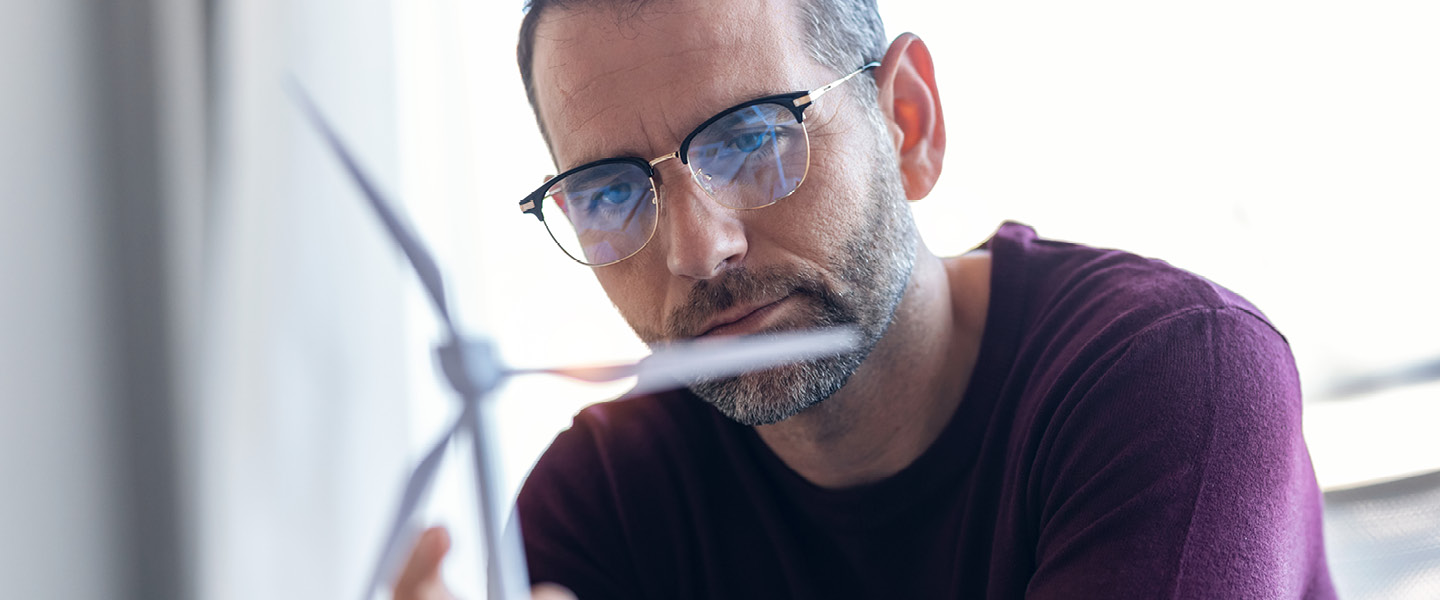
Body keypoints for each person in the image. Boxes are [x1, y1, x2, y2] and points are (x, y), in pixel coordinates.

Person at [396, 0, 1336, 598]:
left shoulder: (1173, 379)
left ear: (909, 121)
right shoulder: (603, 500)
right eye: (610, 193)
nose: (697, 249)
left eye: (752, 138)